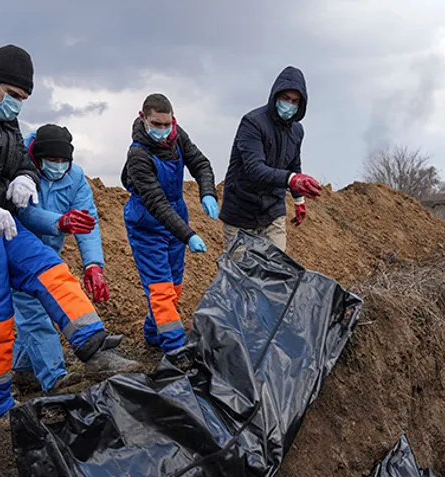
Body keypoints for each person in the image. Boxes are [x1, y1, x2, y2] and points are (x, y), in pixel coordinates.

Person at [0, 44, 139, 419]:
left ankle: (95, 349)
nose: (18, 104)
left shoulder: (8, 126)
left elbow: (23, 162)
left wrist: (24, 176)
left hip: (1, 221)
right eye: (14, 95)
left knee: (51, 270)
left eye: (24, 98)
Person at [13, 124, 108, 392]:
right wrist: (60, 222)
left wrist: (93, 265)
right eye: (51, 160)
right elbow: (23, 212)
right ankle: (55, 379)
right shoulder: (21, 170)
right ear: (37, 156)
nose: (57, 166)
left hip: (48, 255)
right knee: (34, 315)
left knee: (35, 310)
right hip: (18, 252)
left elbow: (88, 221)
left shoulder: (75, 177)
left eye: (63, 161)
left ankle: (22, 370)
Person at [121, 93, 218, 355]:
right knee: (160, 289)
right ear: (143, 119)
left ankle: (153, 333)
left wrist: (207, 191)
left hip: (176, 215)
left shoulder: (177, 136)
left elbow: (200, 163)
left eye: (167, 124)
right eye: (157, 124)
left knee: (174, 284)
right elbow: (155, 201)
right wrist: (188, 235)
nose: (163, 131)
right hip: (147, 224)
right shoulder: (138, 155)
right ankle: (176, 351)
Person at [220, 66, 323, 252]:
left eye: (295, 101)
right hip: (241, 210)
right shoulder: (252, 123)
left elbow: (294, 164)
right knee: (240, 275)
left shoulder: (297, 131)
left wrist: (298, 200)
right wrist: (291, 179)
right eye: (285, 98)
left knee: (276, 271)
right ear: (275, 96)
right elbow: (254, 168)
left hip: (273, 209)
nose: (289, 104)